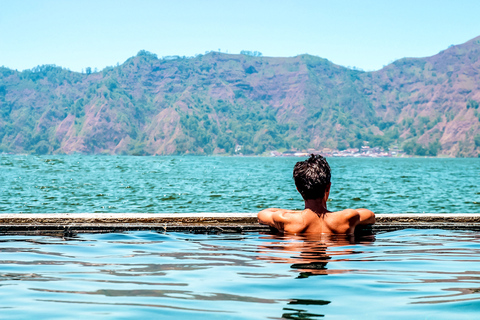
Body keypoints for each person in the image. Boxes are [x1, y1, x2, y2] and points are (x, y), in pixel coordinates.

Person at [258, 154, 375, 234]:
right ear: (328, 186)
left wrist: (302, 213)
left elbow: (262, 214)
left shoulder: (286, 219)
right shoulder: (347, 218)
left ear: (299, 189)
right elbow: (370, 215)